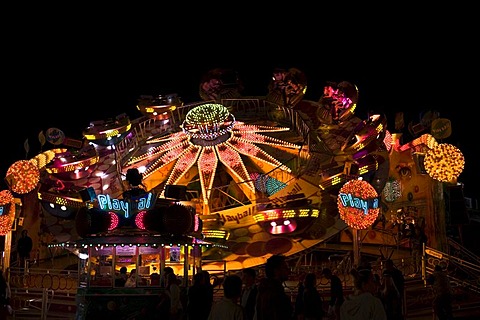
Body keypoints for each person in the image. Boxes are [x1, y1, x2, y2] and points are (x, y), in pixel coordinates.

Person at [254, 254, 293, 320]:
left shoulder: (263, 290)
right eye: (285, 267)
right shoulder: (276, 294)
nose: (288, 271)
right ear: (276, 271)